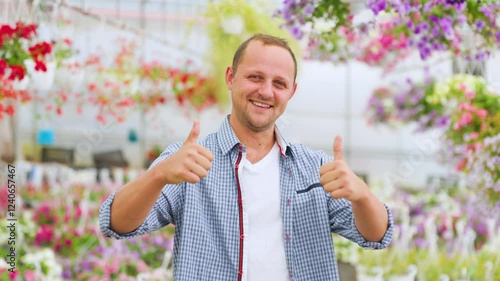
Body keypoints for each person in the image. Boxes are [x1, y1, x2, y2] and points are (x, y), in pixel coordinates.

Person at [99, 33, 393, 281]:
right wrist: (158, 174)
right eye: (255, 77)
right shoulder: (187, 161)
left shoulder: (315, 168)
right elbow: (118, 224)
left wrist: (362, 196)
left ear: (291, 92)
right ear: (230, 77)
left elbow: (378, 236)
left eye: (279, 83)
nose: (266, 91)